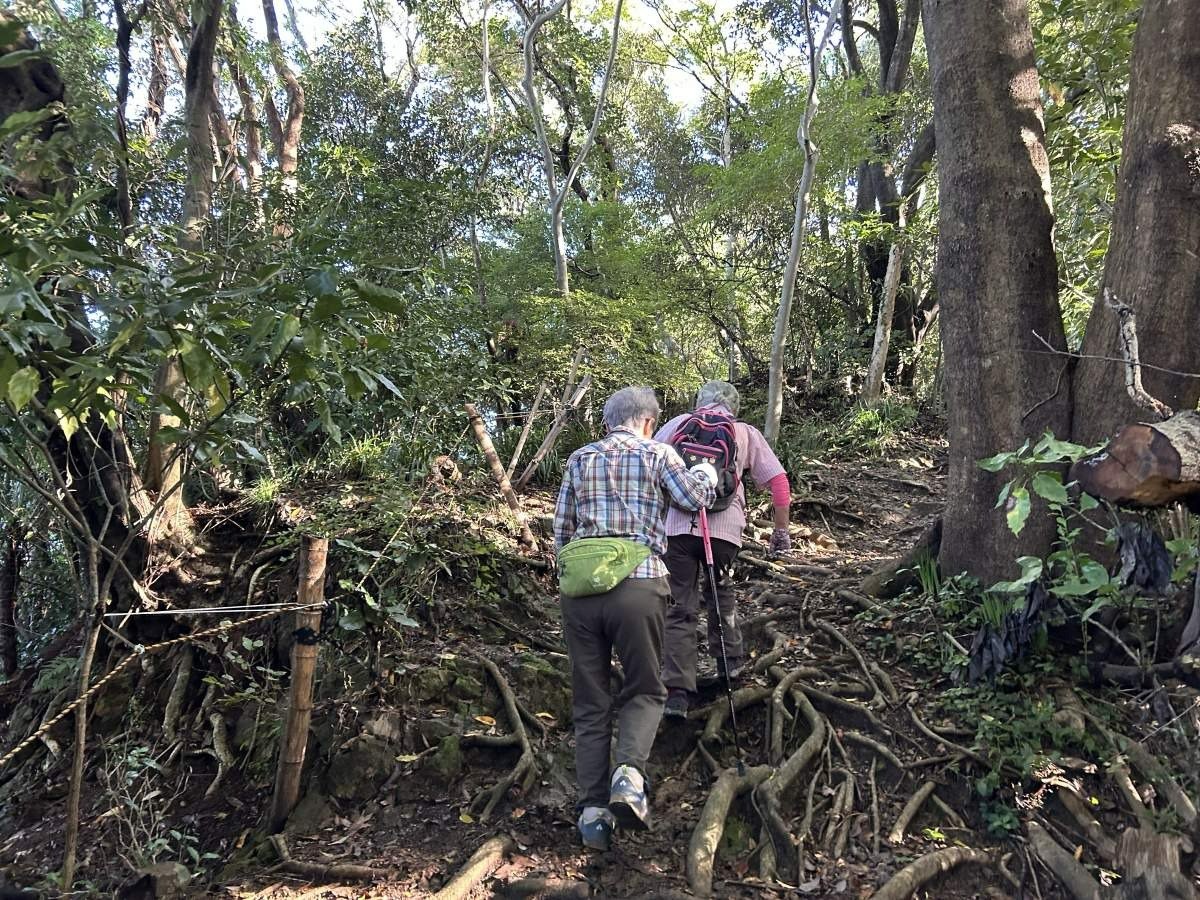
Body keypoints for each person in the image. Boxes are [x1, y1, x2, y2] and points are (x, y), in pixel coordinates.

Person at [553, 386, 718, 851]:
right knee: (645, 689)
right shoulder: (658, 453)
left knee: (590, 702)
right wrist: (704, 471)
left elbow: (562, 531)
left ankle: (592, 816)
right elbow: (693, 498)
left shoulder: (579, 459)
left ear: (608, 421)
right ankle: (627, 777)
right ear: (648, 421)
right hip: (639, 585)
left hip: (581, 593)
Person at [654, 380, 792, 718]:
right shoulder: (743, 432)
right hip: (724, 532)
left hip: (677, 527)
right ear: (735, 406)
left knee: (679, 605)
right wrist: (781, 531)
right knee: (721, 593)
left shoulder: (677, 425)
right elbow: (778, 482)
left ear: (699, 401)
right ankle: (730, 668)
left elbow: (647, 467)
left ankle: (676, 692)